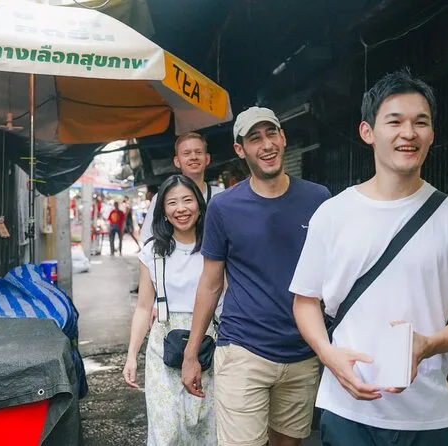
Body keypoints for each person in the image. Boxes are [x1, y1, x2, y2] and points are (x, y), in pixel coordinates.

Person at [289, 69, 448, 446]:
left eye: (421, 122)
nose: (408, 133)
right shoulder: (333, 214)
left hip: (428, 415)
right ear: (367, 132)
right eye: (395, 121)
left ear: (431, 134)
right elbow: (305, 302)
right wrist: (328, 355)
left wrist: (428, 344)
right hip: (348, 412)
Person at [181, 107, 331, 446]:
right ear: (240, 149)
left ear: (283, 138)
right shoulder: (224, 207)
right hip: (243, 349)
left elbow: (335, 272)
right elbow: (210, 283)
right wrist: (192, 353)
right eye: (254, 138)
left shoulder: (318, 199)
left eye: (271, 133)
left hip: (302, 350)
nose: (266, 145)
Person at [122, 174, 219, 445]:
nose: (181, 209)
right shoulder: (153, 252)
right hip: (163, 345)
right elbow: (144, 308)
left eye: (188, 200)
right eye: (172, 203)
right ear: (163, 211)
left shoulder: (216, 247)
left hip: (210, 343)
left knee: (205, 429)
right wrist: (132, 356)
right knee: (166, 432)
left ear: (199, 205)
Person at [140, 133, 224, 244]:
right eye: (186, 153)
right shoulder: (162, 197)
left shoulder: (222, 196)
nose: (193, 157)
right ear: (177, 161)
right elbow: (147, 239)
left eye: (198, 152)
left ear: (207, 159)